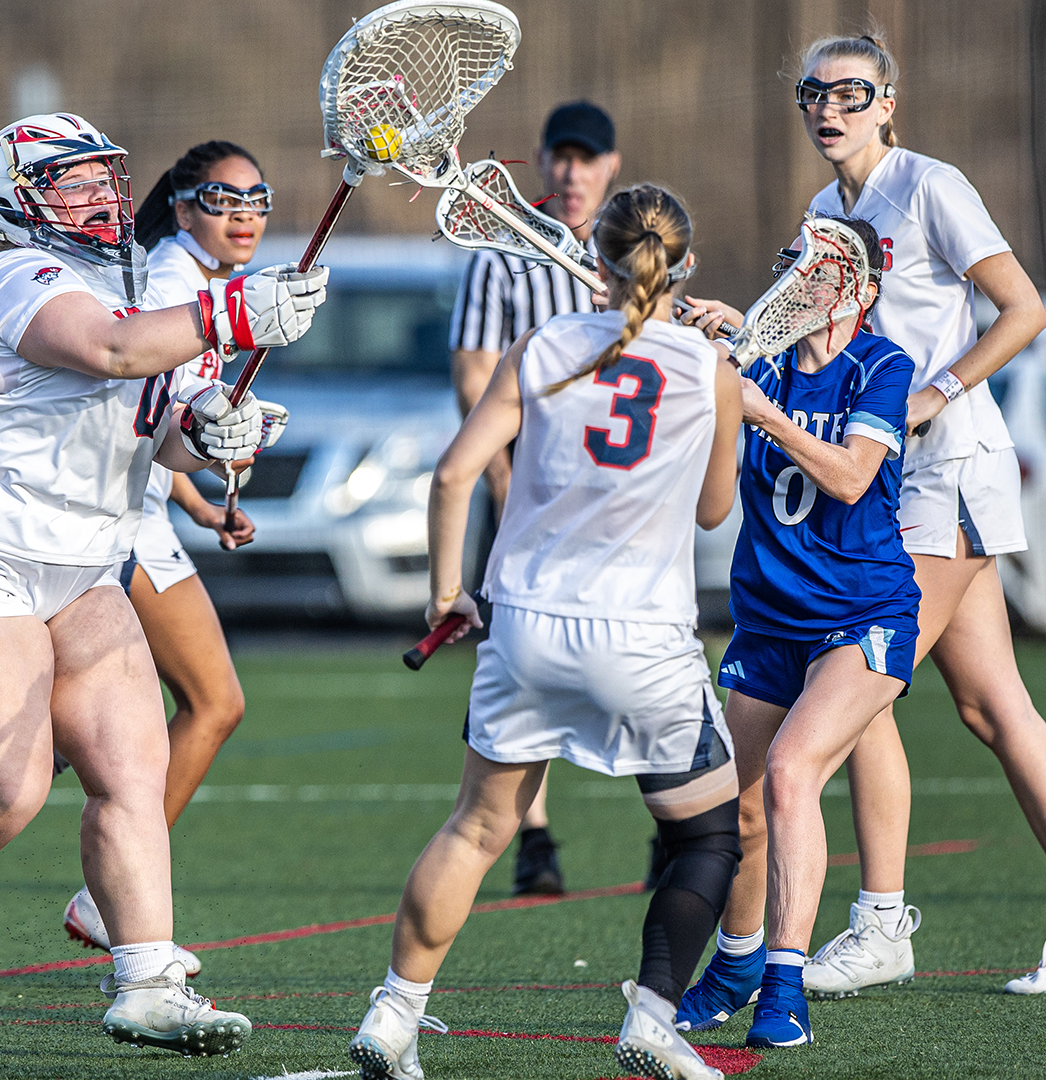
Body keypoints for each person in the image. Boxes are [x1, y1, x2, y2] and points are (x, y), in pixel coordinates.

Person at [0, 112, 323, 1054]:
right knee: (3, 791)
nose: (101, 194)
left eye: (105, 176)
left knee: (132, 772)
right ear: (17, 200)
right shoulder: (14, 277)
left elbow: (165, 423)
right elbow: (111, 352)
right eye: (72, 181)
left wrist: (214, 433)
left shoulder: (142, 284)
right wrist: (230, 313)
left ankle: (147, 982)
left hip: (85, 565)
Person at [681, 30, 1046, 999]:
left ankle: (881, 924)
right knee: (993, 708)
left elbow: (1024, 307)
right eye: (814, 92)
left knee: (856, 670)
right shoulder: (823, 210)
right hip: (887, 475)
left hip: (944, 468)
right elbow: (811, 330)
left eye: (851, 92)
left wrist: (935, 393)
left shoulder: (930, 186)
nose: (829, 108)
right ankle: (877, 924)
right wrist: (737, 327)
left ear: (889, 103)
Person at [349, 185, 743, 1080]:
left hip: (525, 625)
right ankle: (653, 1017)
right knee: (708, 838)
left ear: (598, 261)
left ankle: (394, 1014)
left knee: (475, 830)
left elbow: (455, 473)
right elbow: (714, 510)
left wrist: (446, 593)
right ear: (686, 264)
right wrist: (721, 391)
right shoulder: (708, 369)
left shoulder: (540, 345)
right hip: (643, 640)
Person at [676, 217, 918, 1049]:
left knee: (790, 771)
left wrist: (764, 414)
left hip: (861, 615)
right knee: (732, 806)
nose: (801, 274)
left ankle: (785, 987)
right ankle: (736, 965)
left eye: (823, 264)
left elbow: (851, 477)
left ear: (862, 288)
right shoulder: (759, 361)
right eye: (794, 259)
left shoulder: (881, 366)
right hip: (769, 618)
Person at [53, 140, 271, 976]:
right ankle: (97, 899)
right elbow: (156, 406)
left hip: (145, 515)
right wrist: (218, 433)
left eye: (257, 199)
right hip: (116, 527)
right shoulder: (176, 282)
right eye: (222, 199)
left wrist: (202, 501)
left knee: (74, 736)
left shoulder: (197, 279)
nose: (244, 214)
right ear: (182, 208)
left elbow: (158, 420)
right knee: (207, 704)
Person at [447, 100, 625, 896]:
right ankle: (534, 834)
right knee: (521, 651)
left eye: (587, 159)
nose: (572, 172)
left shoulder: (629, 247)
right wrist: (501, 475)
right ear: (545, 160)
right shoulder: (504, 254)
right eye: (561, 156)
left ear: (610, 166)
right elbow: (473, 374)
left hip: (617, 488)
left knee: (637, 636)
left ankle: (670, 825)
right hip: (528, 485)